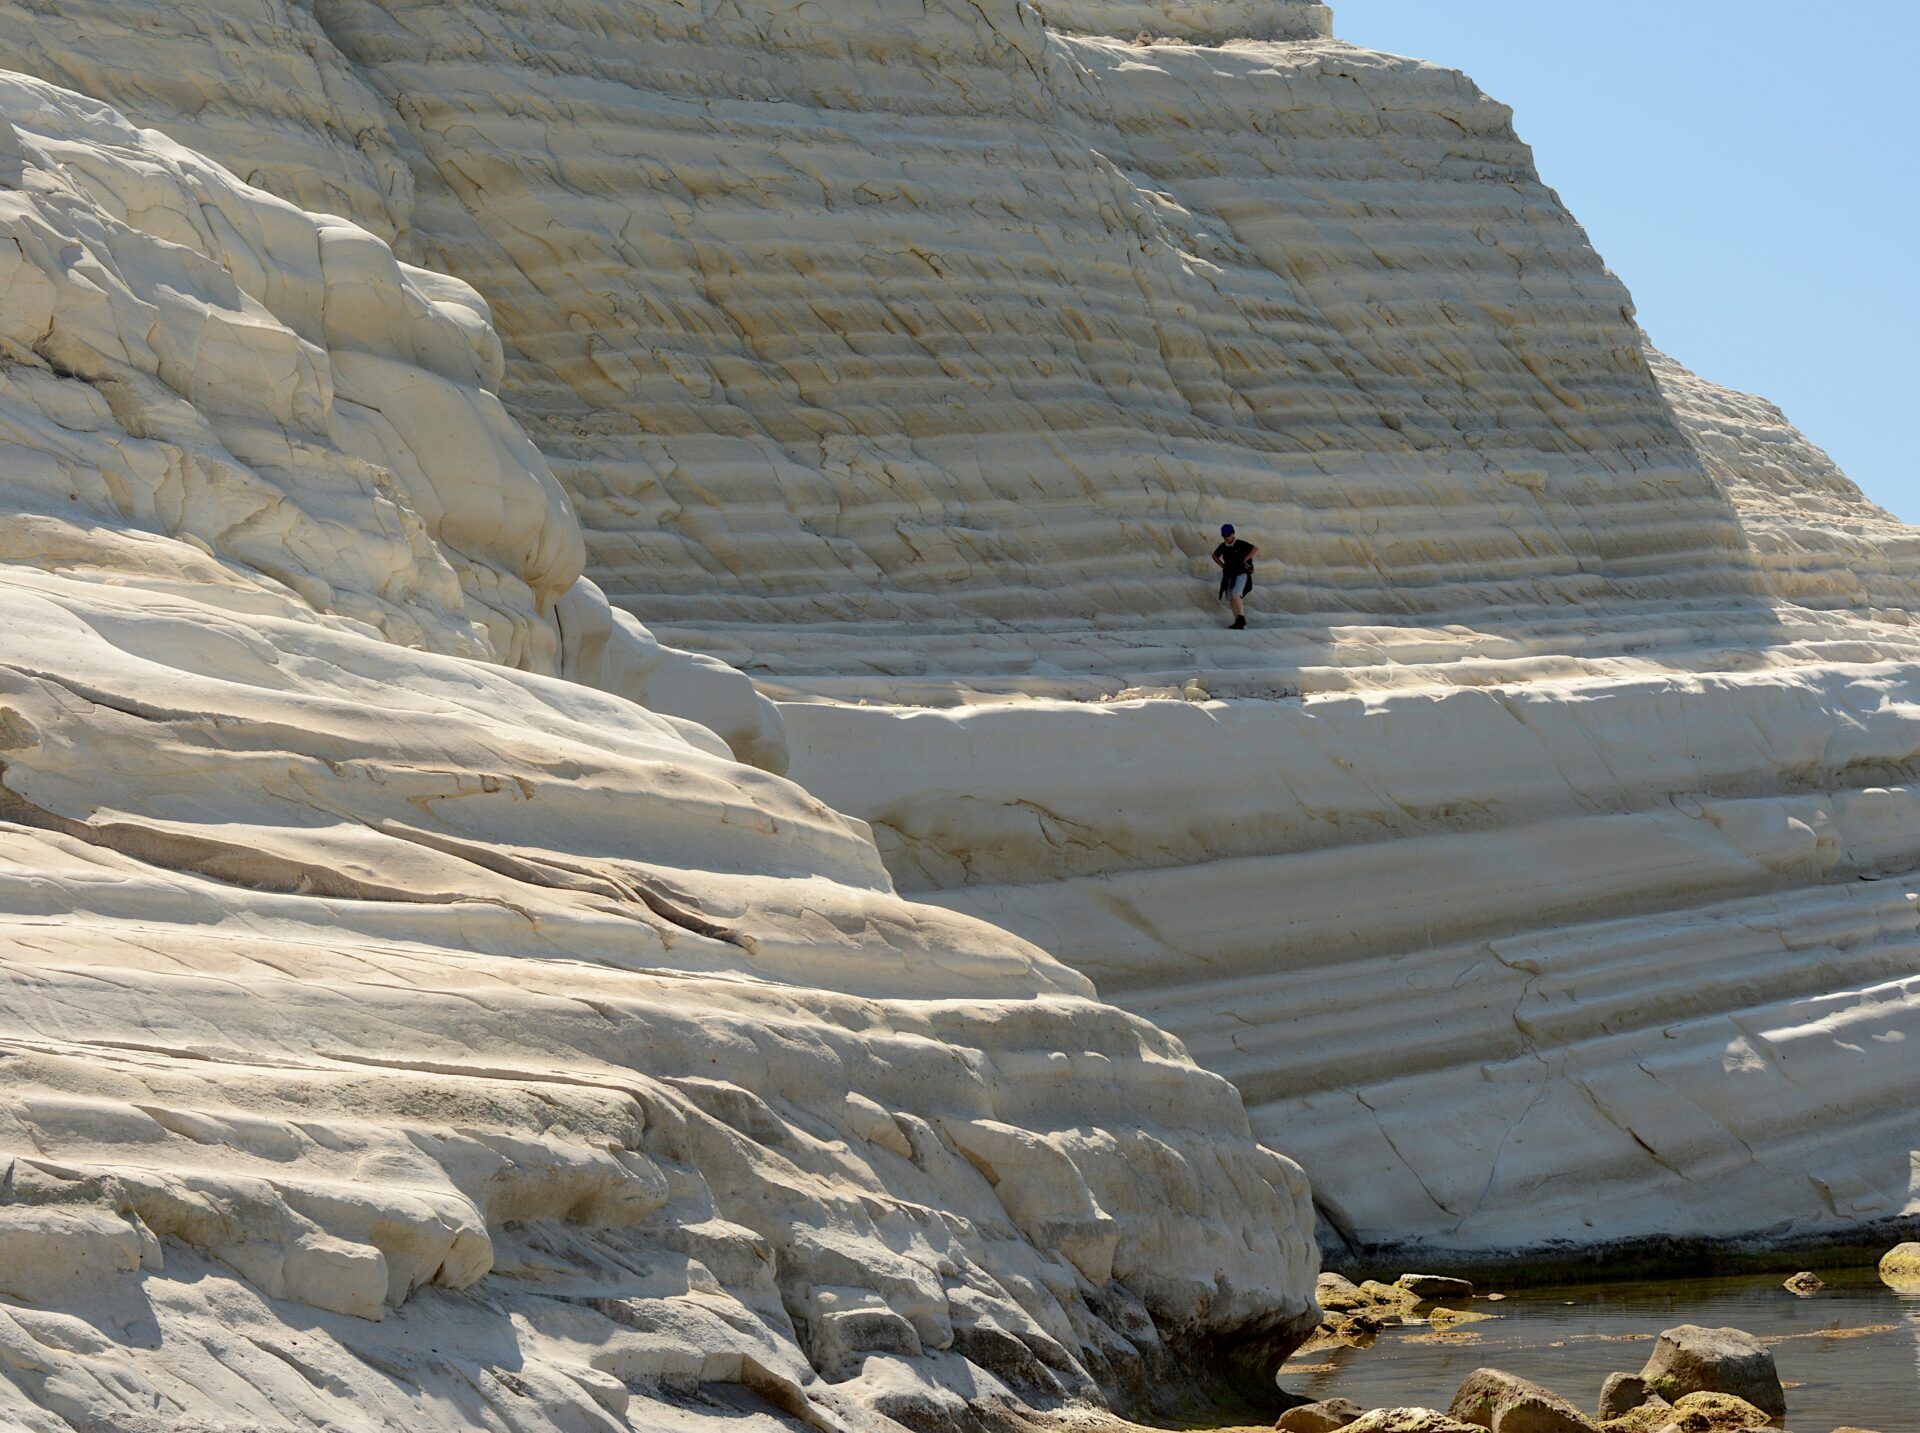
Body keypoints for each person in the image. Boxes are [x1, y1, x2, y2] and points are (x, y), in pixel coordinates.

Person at [1211, 523, 1257, 629]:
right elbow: (1214, 556)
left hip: (1242, 573)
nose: (1226, 538)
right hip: (1229, 575)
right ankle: (1238, 622)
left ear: (1233, 533)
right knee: (1231, 597)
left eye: (1228, 535)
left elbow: (1255, 549)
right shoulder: (1223, 546)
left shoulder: (1240, 543)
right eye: (1224, 536)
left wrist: (1247, 558)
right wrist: (1222, 565)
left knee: (1236, 594)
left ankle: (1241, 619)